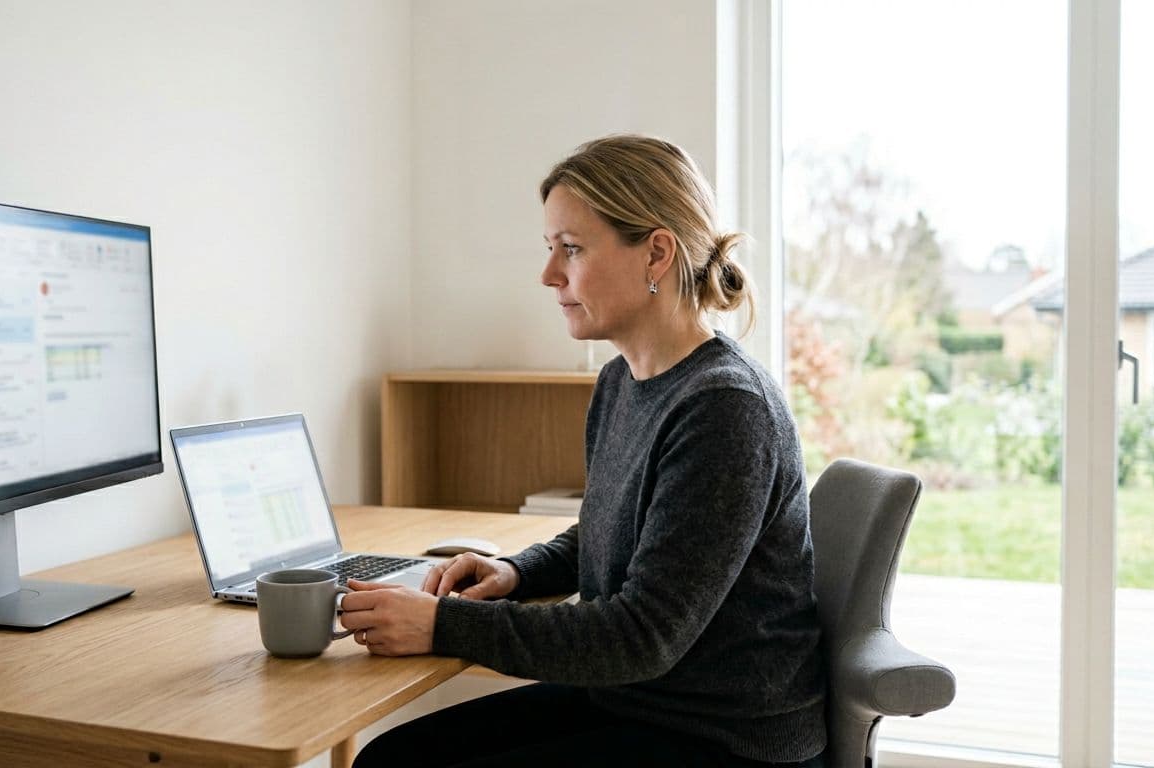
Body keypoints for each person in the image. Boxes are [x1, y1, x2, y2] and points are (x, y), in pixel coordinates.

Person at [340, 135, 827, 767]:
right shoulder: (622, 380)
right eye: (550, 249)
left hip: (726, 737)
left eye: (570, 249)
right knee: (391, 757)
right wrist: (517, 571)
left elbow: (641, 636)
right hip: (637, 700)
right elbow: (608, 531)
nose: (549, 275)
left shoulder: (725, 408)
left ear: (656, 253)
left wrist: (439, 624)